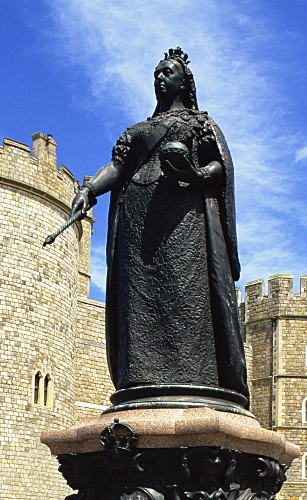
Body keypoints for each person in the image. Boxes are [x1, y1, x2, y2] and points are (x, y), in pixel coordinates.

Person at [63, 47, 248, 410]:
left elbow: (219, 168)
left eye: (167, 73)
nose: (160, 78)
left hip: (185, 221)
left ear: (184, 81)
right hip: (138, 220)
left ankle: (196, 377)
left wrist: (195, 175)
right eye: (156, 74)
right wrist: (88, 190)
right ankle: (142, 378)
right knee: (139, 300)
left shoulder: (199, 124)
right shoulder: (137, 131)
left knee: (185, 296)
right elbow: (116, 167)